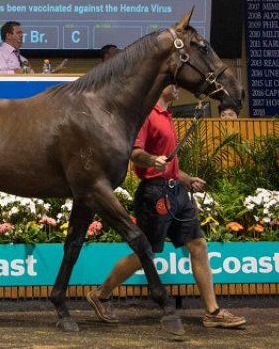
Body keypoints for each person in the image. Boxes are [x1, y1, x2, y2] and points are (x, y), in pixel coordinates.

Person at [85, 84, 246, 330]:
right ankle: (101, 294)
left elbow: (169, 163)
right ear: (160, 88)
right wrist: (151, 160)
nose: (177, 87)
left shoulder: (167, 116)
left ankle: (212, 312)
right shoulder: (147, 114)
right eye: (172, 83)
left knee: (199, 245)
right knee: (145, 252)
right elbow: (134, 151)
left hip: (176, 191)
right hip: (153, 194)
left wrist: (186, 179)